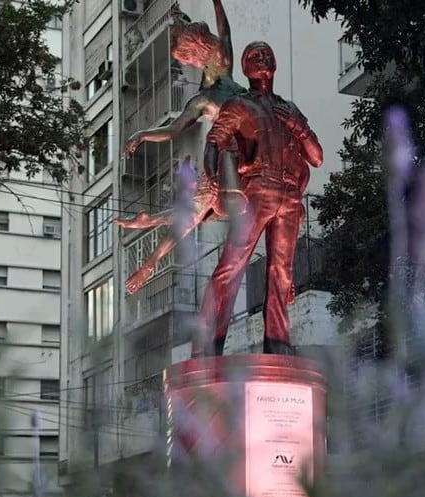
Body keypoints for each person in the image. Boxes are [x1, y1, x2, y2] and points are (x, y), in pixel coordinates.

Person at [192, 41, 323, 357]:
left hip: (290, 197)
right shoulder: (238, 106)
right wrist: (214, 180)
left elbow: (317, 157)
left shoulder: (289, 109)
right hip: (257, 190)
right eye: (252, 55)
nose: (261, 57)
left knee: (282, 272)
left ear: (275, 63)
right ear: (245, 67)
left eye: (266, 53)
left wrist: (296, 125)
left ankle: (278, 342)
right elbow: (214, 142)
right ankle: (208, 344)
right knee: (231, 267)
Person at [117, 0, 245, 295]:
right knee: (189, 217)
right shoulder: (205, 97)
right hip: (225, 162)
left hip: (238, 155)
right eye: (213, 49)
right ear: (203, 55)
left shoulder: (221, 72)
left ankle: (149, 223)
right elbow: (174, 130)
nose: (220, 52)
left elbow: (225, 28)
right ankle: (149, 263)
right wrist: (144, 134)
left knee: (189, 215)